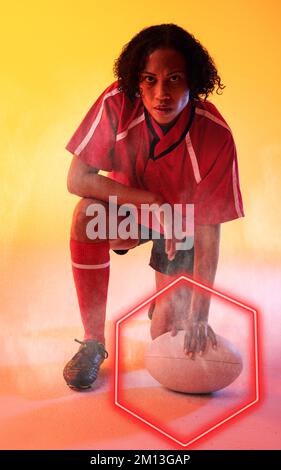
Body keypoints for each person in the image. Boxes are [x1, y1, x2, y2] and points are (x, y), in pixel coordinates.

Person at [63, 24, 244, 390]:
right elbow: (78, 179)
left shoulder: (215, 135)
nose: (162, 93)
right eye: (150, 79)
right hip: (130, 214)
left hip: (180, 229)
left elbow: (209, 230)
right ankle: (93, 342)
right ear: (136, 81)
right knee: (86, 216)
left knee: (168, 337)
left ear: (194, 81)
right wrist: (152, 200)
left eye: (174, 78)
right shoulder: (117, 102)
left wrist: (199, 315)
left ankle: (164, 303)